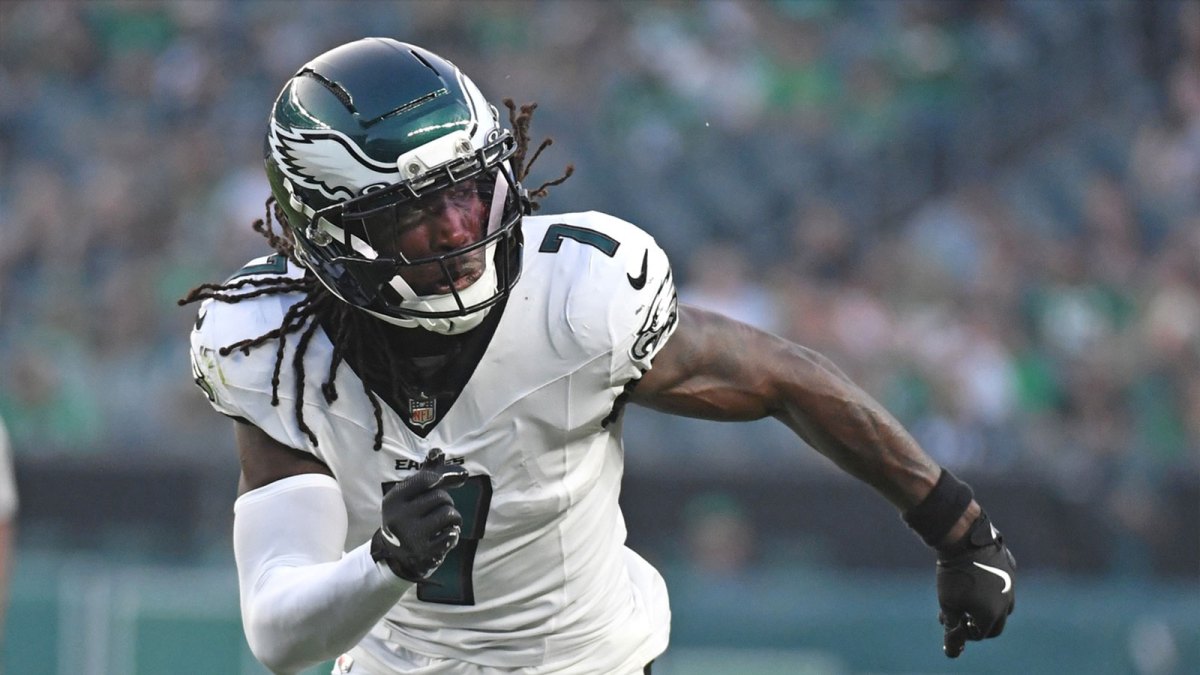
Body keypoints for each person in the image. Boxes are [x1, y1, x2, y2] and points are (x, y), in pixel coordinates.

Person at [183, 37, 1016, 675]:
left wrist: (960, 529)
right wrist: (382, 565)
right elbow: (278, 629)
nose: (462, 232)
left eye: (471, 190)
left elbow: (781, 376)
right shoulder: (276, 351)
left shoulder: (577, 298)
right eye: (416, 212)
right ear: (332, 231)